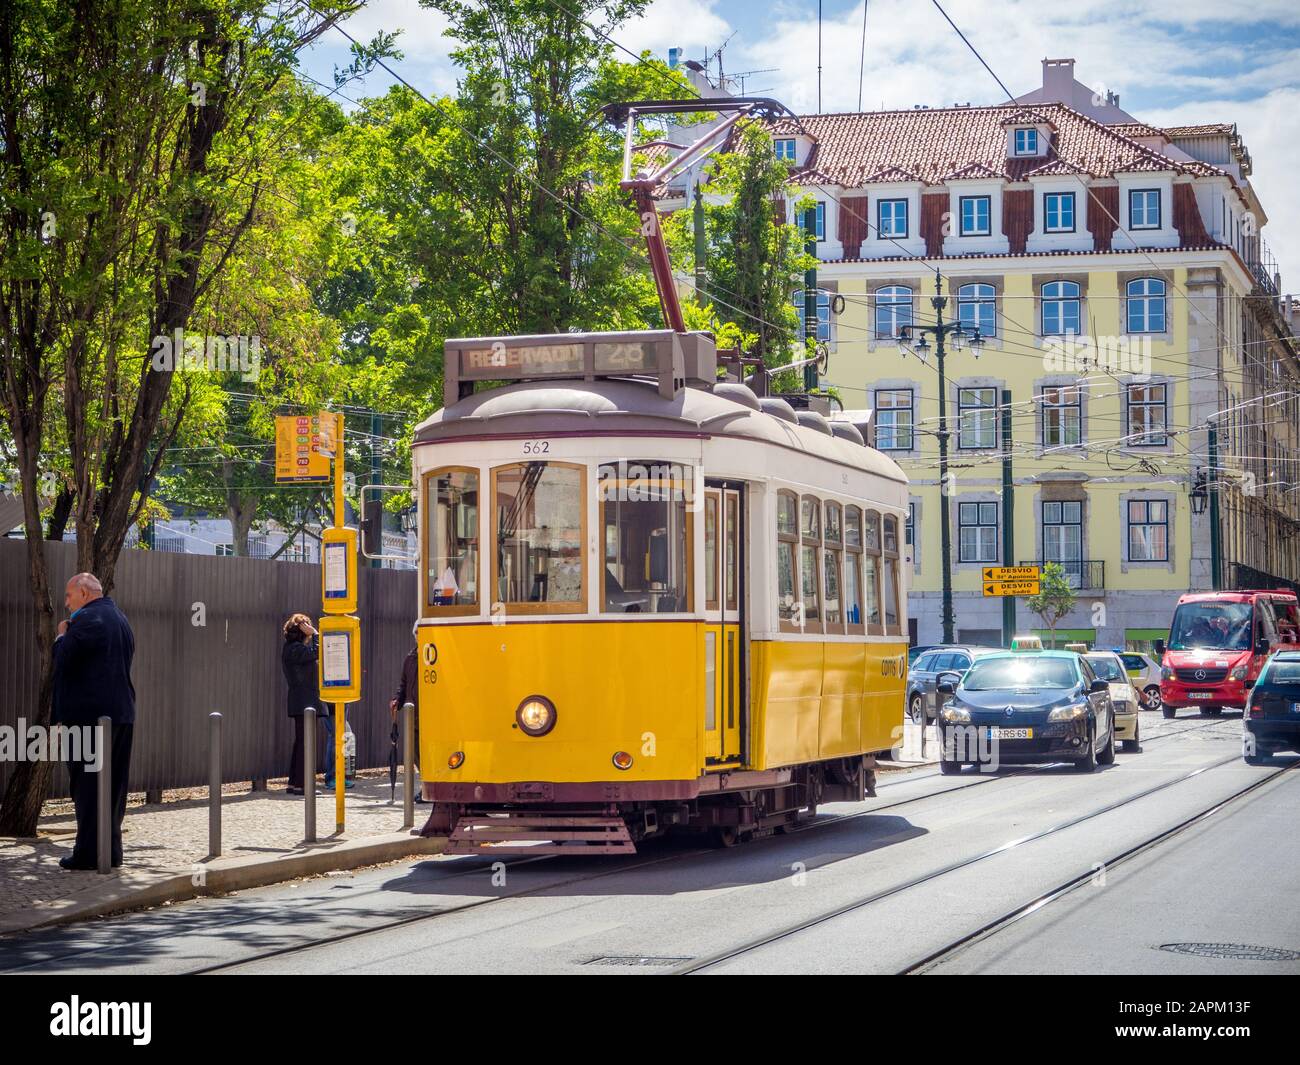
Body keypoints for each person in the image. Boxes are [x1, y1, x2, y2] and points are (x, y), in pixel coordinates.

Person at [53, 573, 135, 870]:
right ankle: (110, 851)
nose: (66, 603)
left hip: (88, 718)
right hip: (121, 714)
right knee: (113, 787)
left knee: (87, 786)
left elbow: (63, 660)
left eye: (68, 596)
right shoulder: (119, 618)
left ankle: (88, 853)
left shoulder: (86, 620)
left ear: (84, 594)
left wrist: (62, 635)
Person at [280, 613, 318, 795]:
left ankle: (294, 783)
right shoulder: (297, 649)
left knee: (301, 742)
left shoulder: (290, 648)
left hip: (299, 700)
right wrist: (316, 634)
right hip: (305, 701)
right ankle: (303, 785)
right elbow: (318, 652)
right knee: (305, 743)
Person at [389, 622, 426, 803]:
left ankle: (430, 787)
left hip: (431, 715)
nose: (420, 635)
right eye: (418, 633)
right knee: (416, 753)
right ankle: (427, 786)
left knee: (430, 753)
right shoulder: (410, 658)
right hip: (414, 715)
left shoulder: (435, 656)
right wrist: (398, 700)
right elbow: (403, 685)